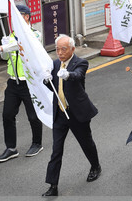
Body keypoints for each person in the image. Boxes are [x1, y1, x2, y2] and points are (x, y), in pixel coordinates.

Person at [42, 34, 101, 197]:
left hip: (77, 113)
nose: (60, 53)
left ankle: (95, 166)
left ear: (72, 49)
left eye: (63, 49)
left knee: (86, 143)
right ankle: (53, 185)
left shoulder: (80, 62)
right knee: (56, 150)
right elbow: (54, 87)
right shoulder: (55, 64)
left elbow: (78, 75)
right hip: (60, 113)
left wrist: (67, 74)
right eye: (57, 49)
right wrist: (46, 80)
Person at [0, 5, 44, 163]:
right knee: (7, 115)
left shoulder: (35, 34)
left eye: (18, 16)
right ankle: (11, 148)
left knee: (33, 116)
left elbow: (22, 45)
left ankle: (37, 143)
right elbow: (5, 58)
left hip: (29, 82)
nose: (13, 20)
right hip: (13, 82)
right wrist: (4, 47)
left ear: (27, 17)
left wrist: (2, 47)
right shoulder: (11, 36)